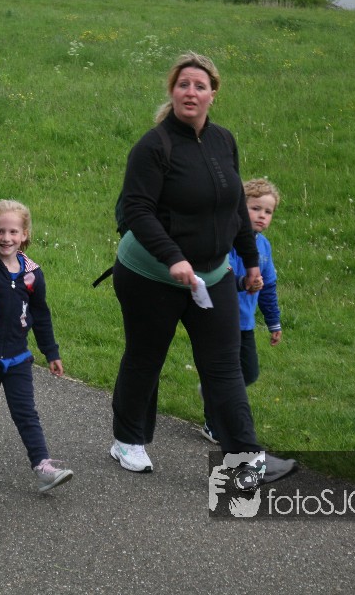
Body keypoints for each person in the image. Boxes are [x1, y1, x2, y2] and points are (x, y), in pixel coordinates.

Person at [108, 51, 293, 484]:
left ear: (213, 94)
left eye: (200, 86)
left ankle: (245, 459)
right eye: (183, 85)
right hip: (149, 275)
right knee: (146, 356)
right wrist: (173, 257)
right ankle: (127, 440)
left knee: (224, 365)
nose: (191, 92)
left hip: (213, 275)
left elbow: (236, 209)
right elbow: (137, 210)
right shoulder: (154, 146)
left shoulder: (223, 141)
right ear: (172, 92)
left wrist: (251, 261)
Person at [0, 199, 73, 493]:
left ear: (24, 235)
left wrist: (51, 352)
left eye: (13, 232)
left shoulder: (32, 274)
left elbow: (41, 315)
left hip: (18, 357)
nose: (6, 238)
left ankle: (42, 466)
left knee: (26, 411)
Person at [201, 178, 283, 443]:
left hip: (245, 323)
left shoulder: (264, 247)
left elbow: (269, 286)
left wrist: (274, 322)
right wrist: (242, 282)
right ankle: (213, 424)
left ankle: (211, 391)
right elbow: (218, 274)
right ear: (239, 208)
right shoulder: (227, 240)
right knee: (227, 376)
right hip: (220, 318)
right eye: (255, 208)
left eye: (268, 211)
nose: (262, 216)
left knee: (249, 372)